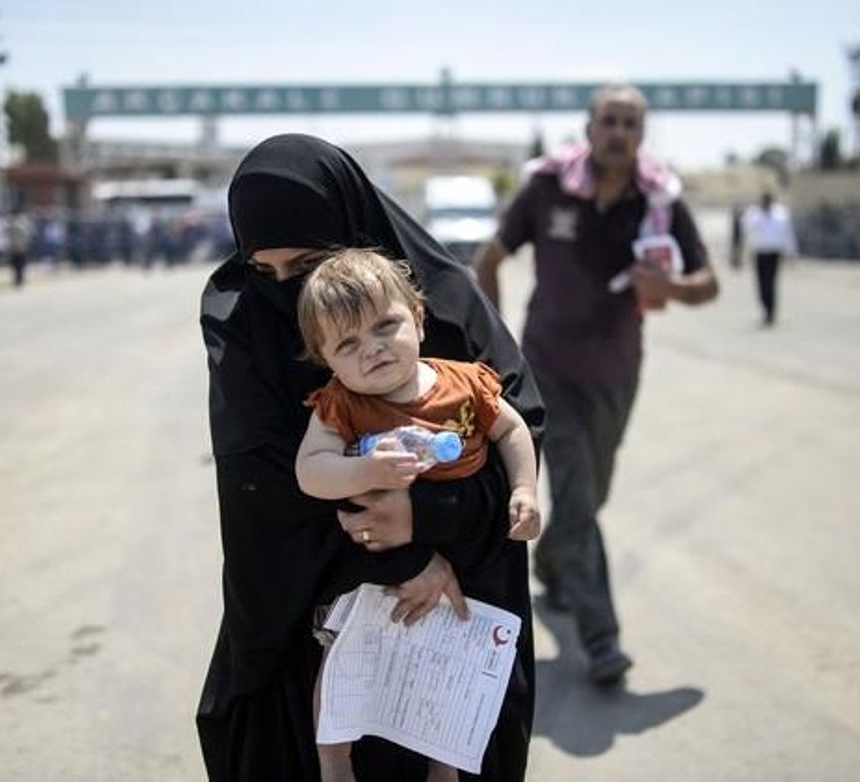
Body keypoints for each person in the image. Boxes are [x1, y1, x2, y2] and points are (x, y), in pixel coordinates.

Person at [197, 134, 544, 781]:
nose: (286, 294)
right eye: (264, 272)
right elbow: (264, 493)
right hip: (312, 626)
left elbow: (519, 429)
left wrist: (430, 517)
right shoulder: (242, 322)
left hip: (456, 614)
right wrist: (404, 555)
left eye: (306, 265)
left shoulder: (442, 305)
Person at [474, 84, 718, 685]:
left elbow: (707, 281)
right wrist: (497, 348)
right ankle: (601, 638)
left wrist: (675, 291)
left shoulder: (659, 199)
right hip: (548, 368)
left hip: (617, 373)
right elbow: (489, 259)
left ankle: (556, 566)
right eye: (609, 120)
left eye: (630, 123)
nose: (618, 131)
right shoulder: (548, 187)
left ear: (641, 134)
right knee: (580, 495)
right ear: (589, 128)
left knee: (591, 496)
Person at [295, 248, 541, 782]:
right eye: (348, 343)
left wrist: (524, 488)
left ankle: (445, 766)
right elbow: (310, 470)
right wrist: (362, 474)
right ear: (326, 360)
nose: (373, 350)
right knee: (344, 658)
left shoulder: (466, 382)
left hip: (468, 562)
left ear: (420, 319)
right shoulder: (342, 405)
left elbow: (513, 430)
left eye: (386, 326)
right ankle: (334, 760)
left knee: (452, 669)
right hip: (384, 566)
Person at [741, 190, 797, 325]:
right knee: (762, 283)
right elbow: (745, 231)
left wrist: (791, 252)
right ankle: (765, 308)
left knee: (771, 283)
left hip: (774, 252)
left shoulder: (781, 214)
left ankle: (771, 312)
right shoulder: (753, 214)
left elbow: (788, 234)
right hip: (760, 252)